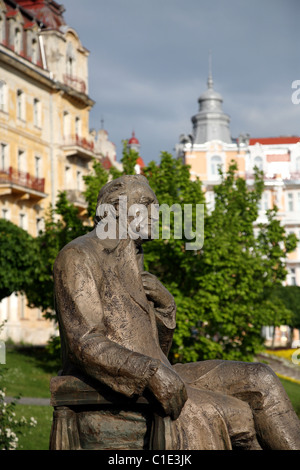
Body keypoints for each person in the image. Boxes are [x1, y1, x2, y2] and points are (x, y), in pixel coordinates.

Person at [53, 174, 300, 450]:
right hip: (118, 388)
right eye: (146, 204)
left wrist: (165, 307)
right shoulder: (78, 256)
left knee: (260, 379)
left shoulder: (133, 257)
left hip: (162, 371)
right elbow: (84, 343)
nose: (156, 213)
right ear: (115, 210)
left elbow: (157, 348)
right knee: (228, 413)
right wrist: (150, 372)